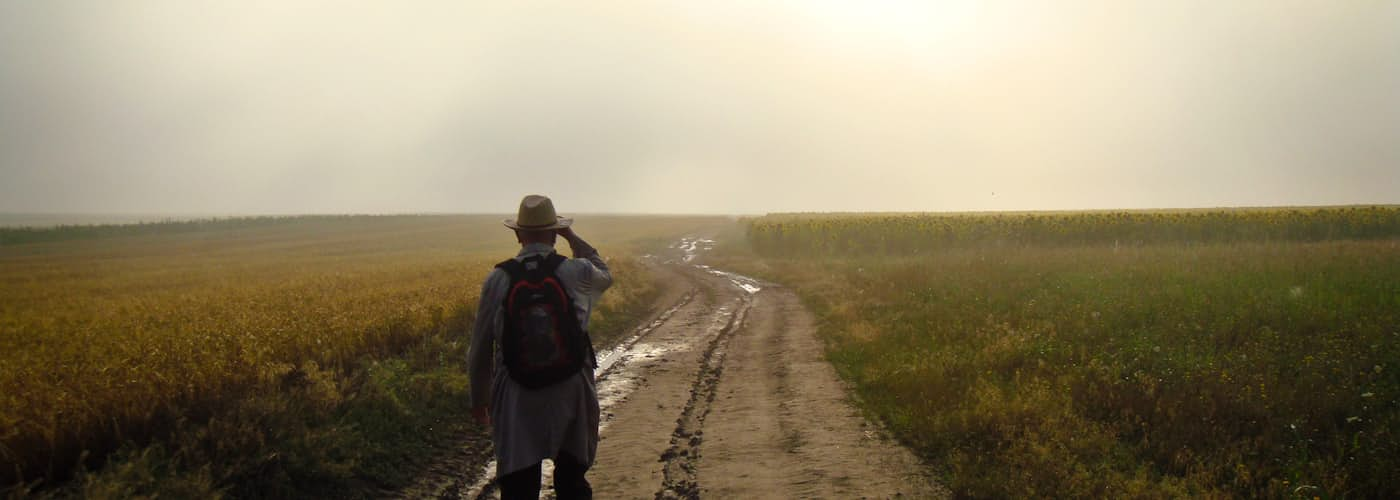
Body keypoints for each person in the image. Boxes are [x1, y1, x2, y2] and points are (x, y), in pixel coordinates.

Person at [468, 194, 611, 500]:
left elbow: (480, 345)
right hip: (572, 388)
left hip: (517, 392)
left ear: (518, 235)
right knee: (572, 481)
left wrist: (480, 398)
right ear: (554, 232)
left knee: (519, 486)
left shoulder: (498, 278)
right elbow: (605, 274)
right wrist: (572, 236)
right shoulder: (577, 271)